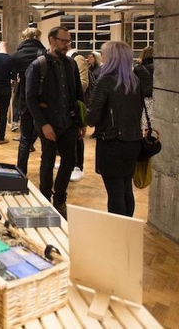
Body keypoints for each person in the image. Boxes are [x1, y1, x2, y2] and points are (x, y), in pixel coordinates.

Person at [24, 26, 85, 218]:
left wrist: (81, 122)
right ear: (51, 40)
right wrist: (43, 124)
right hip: (48, 123)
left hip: (69, 123)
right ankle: (44, 199)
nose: (67, 45)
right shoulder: (37, 66)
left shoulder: (71, 64)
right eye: (63, 41)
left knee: (69, 161)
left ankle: (59, 199)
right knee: (48, 161)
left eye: (68, 41)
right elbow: (30, 99)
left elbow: (78, 94)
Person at [85, 41, 143, 216]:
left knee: (116, 192)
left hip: (111, 142)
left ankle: (117, 229)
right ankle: (127, 228)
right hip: (133, 142)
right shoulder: (134, 81)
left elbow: (91, 118)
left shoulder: (106, 81)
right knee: (126, 189)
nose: (102, 57)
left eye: (104, 53)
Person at [11, 27, 47, 174]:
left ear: (24, 38)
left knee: (24, 139)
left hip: (25, 99)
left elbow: (13, 77)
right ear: (37, 37)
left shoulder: (16, 55)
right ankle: (45, 174)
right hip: (42, 100)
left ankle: (21, 172)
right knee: (45, 139)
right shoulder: (44, 54)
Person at [67, 48, 90, 182]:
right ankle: (70, 163)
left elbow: (84, 83)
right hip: (66, 104)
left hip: (76, 104)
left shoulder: (78, 59)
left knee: (77, 136)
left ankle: (78, 166)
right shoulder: (61, 60)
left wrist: (67, 90)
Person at [133, 46, 154, 129]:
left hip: (142, 98)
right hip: (156, 97)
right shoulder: (158, 67)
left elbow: (134, 84)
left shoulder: (137, 68)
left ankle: (145, 134)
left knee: (144, 121)